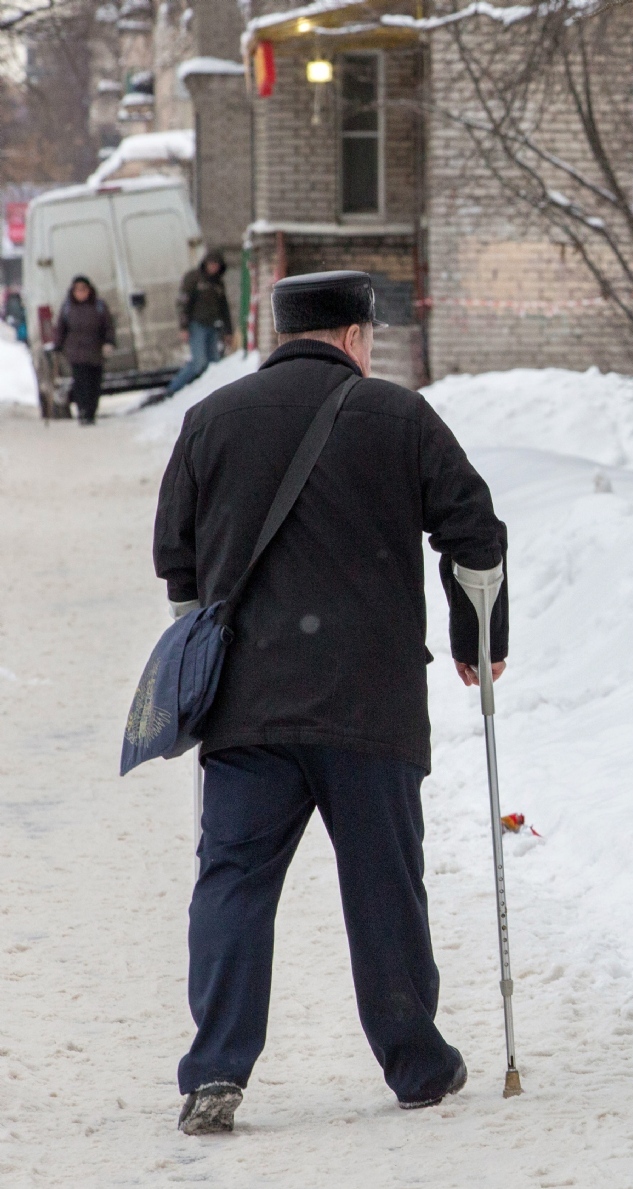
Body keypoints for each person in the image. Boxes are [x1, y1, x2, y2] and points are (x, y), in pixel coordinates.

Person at [152, 270, 510, 1134]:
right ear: (355, 336)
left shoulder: (211, 421)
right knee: (383, 884)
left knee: (233, 881)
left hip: (249, 705)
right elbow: (476, 536)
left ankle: (216, 1071)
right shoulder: (398, 416)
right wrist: (478, 639)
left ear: (283, 335)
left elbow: (177, 561)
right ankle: (418, 1066)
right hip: (369, 704)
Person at [166, 250, 234, 397]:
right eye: (211, 264)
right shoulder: (194, 278)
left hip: (213, 326)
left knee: (214, 364)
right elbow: (183, 303)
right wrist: (184, 327)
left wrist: (228, 331)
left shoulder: (218, 283)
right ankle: (172, 390)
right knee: (199, 363)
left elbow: (224, 308)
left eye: (217, 265)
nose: (214, 268)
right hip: (196, 325)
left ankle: (208, 393)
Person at [50, 275, 114, 424]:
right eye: (77, 290)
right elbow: (61, 328)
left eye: (83, 290)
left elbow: (108, 326)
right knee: (80, 383)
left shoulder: (99, 306)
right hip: (76, 353)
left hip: (95, 351)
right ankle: (83, 411)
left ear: (89, 290)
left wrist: (109, 342)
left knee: (94, 384)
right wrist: (57, 345)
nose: (80, 293)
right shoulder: (67, 308)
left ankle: (91, 411)